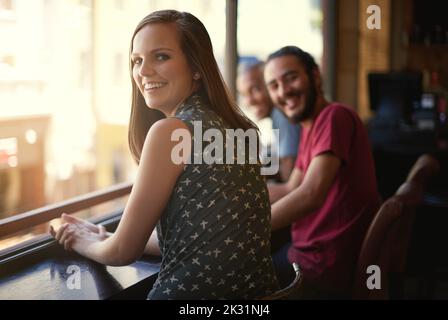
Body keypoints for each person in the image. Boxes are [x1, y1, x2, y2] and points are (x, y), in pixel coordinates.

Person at [50, 10, 278, 300]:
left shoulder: (171, 132)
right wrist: (105, 236)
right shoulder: (238, 130)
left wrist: (80, 240)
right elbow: (198, 238)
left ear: (196, 66)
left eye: (161, 56)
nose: (143, 71)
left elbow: (123, 252)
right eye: (136, 60)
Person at [264, 46, 380, 298]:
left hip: (322, 266)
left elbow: (310, 194)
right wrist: (235, 193)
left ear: (314, 76)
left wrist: (246, 226)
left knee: (227, 280)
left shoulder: (334, 116)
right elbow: (291, 188)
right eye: (274, 85)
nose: (283, 91)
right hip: (310, 255)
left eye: (291, 77)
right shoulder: (311, 126)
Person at [237, 60, 301, 182]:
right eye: (244, 94)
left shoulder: (282, 116)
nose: (249, 101)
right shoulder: (277, 116)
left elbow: (289, 176)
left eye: (255, 89)